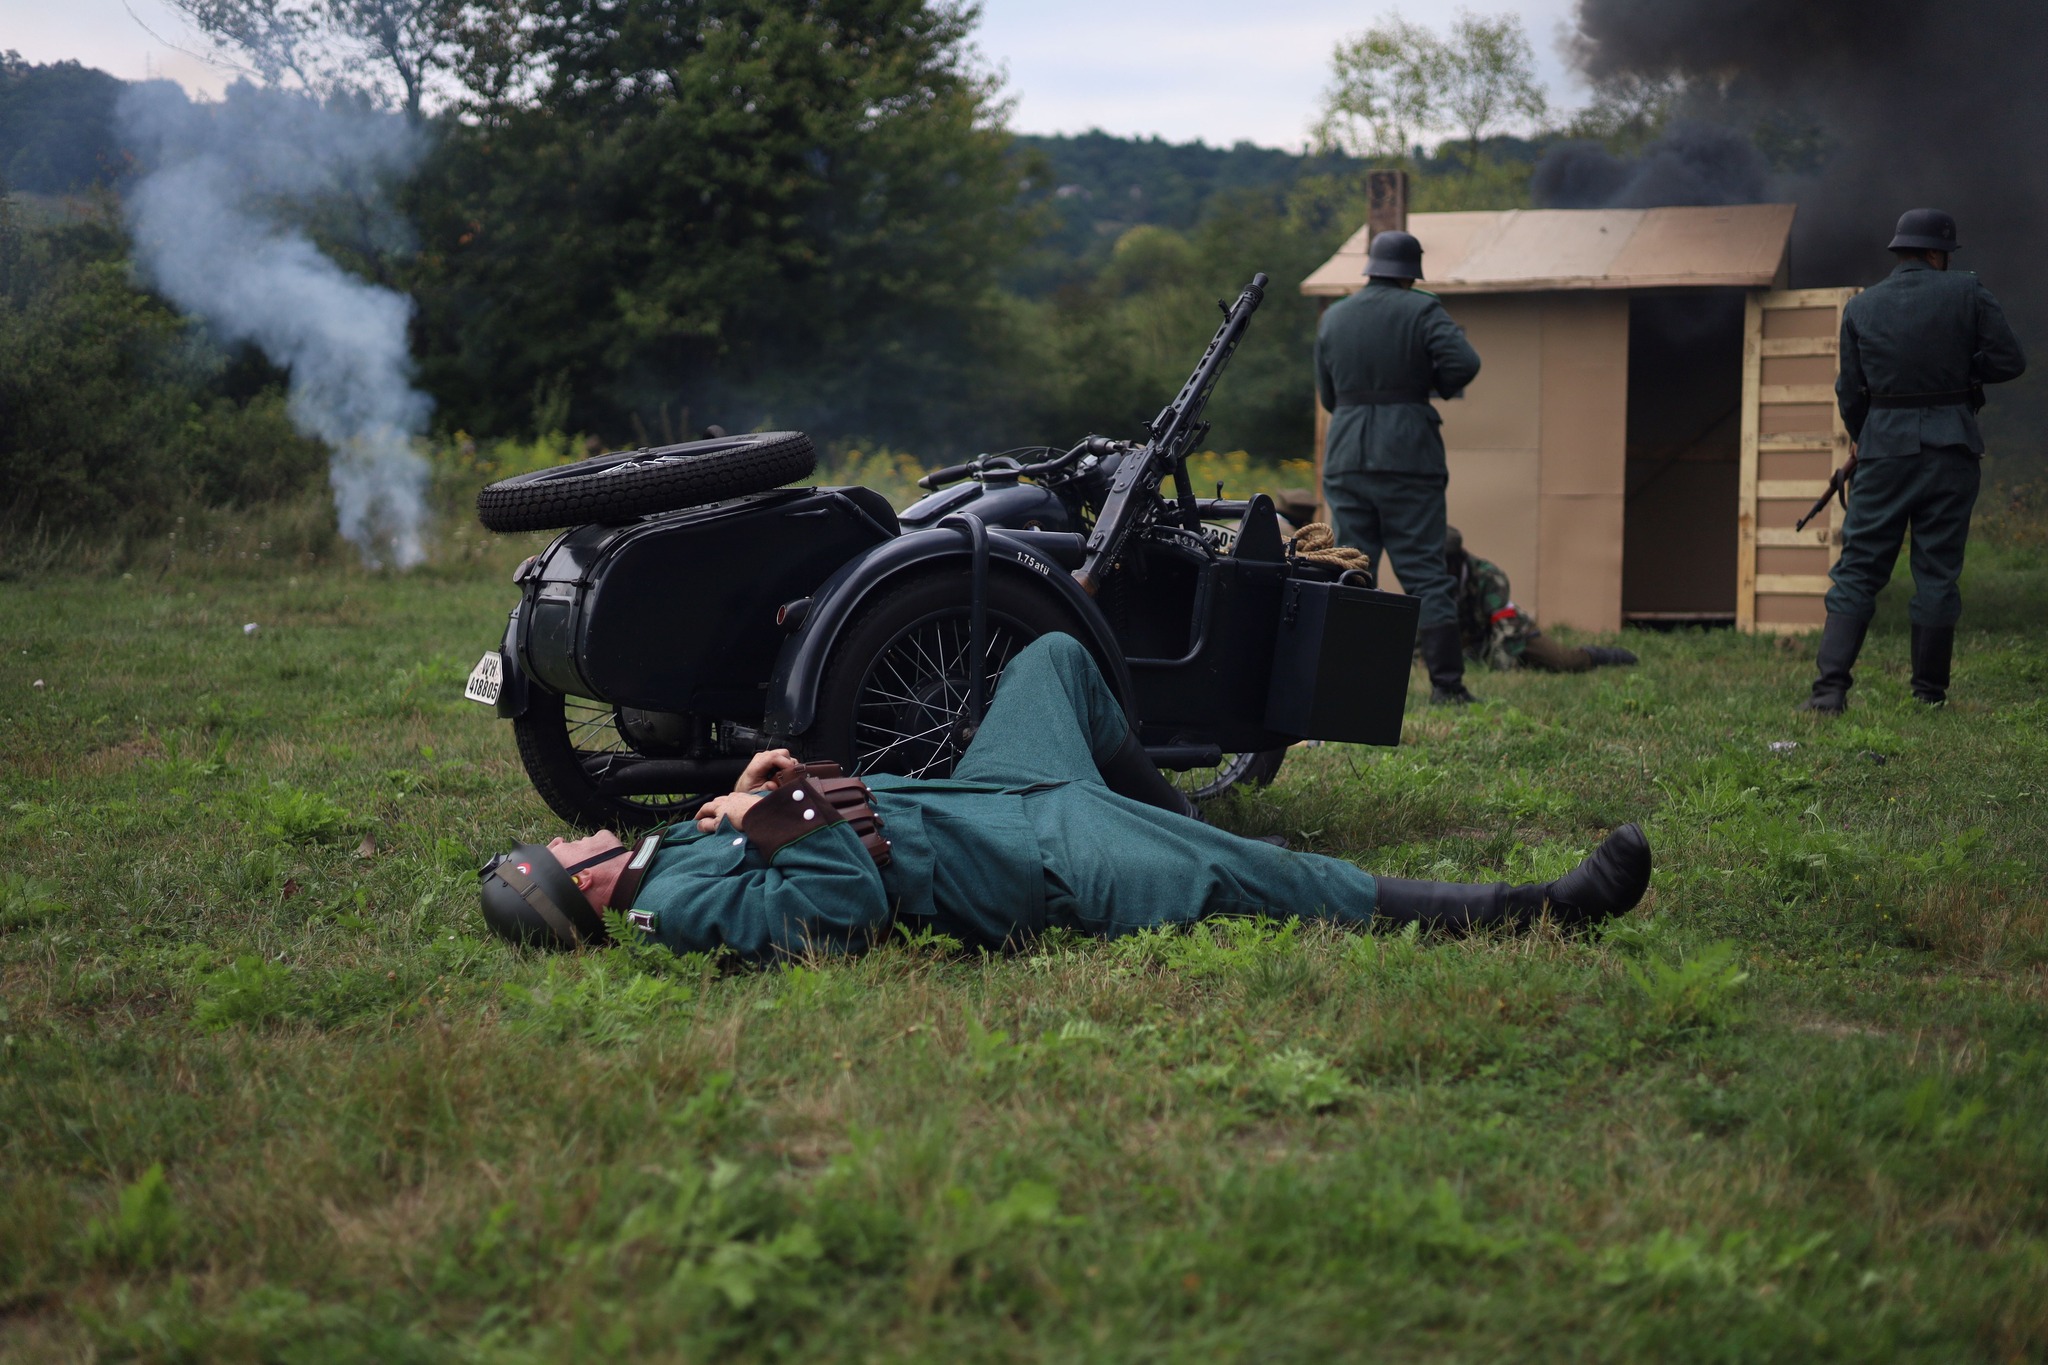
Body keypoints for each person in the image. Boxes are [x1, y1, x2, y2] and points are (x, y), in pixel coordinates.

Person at [479, 635, 1652, 960]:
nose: (568, 832)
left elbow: (795, 835)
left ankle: (1172, 820)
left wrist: (753, 789)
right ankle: (1536, 910)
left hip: (986, 795)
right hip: (1034, 857)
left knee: (1050, 661)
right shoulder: (676, 912)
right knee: (1277, 881)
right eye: (558, 848)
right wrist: (773, 819)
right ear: (569, 886)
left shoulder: (659, 859)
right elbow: (844, 909)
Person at [1804, 208, 2027, 713]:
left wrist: (1865, 438)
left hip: (1883, 451)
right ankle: (1929, 694)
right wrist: (1964, 373)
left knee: (1858, 568)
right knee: (1937, 571)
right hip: (1952, 450)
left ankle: (1828, 692)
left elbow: (1849, 391)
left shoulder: (1861, 308)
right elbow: (2010, 360)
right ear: (1934, 253)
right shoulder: (1968, 291)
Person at [1316, 229, 1484, 705]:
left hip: (1347, 454)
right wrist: (1428, 386)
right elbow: (1465, 363)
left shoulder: (1334, 316)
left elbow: (1328, 395)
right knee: (1426, 570)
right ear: (1412, 273)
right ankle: (1447, 687)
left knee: (1348, 569)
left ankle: (1343, 688)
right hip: (1409, 456)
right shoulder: (1423, 310)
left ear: (1372, 267)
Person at [1445, 527, 1638, 673]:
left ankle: (1604, 656)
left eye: (1446, 563)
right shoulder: (1434, 578)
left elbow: (1504, 628)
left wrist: (1502, 669)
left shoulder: (1488, 576)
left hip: (1513, 633)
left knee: (1563, 662)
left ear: (1458, 559)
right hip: (1470, 639)